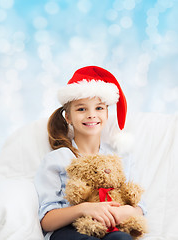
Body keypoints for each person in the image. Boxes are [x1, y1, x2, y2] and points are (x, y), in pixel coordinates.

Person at [34, 66, 146, 240]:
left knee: (121, 239)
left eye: (99, 108)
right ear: (68, 117)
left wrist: (126, 211)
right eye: (81, 109)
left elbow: (140, 208)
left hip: (112, 228)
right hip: (70, 231)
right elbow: (47, 220)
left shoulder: (121, 157)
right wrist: (85, 208)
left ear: (107, 113)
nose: (91, 115)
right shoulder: (57, 159)